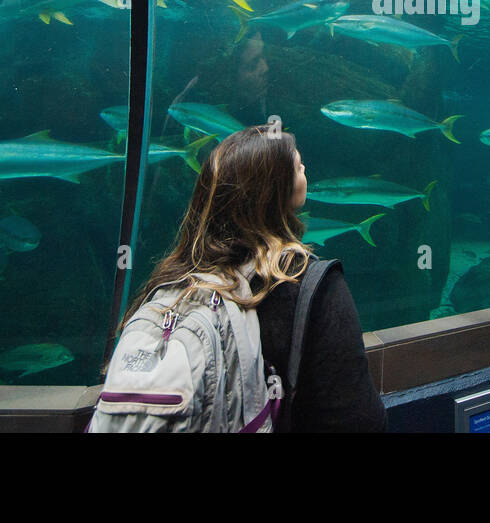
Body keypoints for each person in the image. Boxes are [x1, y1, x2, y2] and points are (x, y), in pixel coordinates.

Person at [120, 125, 385, 431]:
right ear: (275, 191)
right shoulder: (311, 287)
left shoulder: (168, 282)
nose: (304, 166)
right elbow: (358, 419)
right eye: (297, 167)